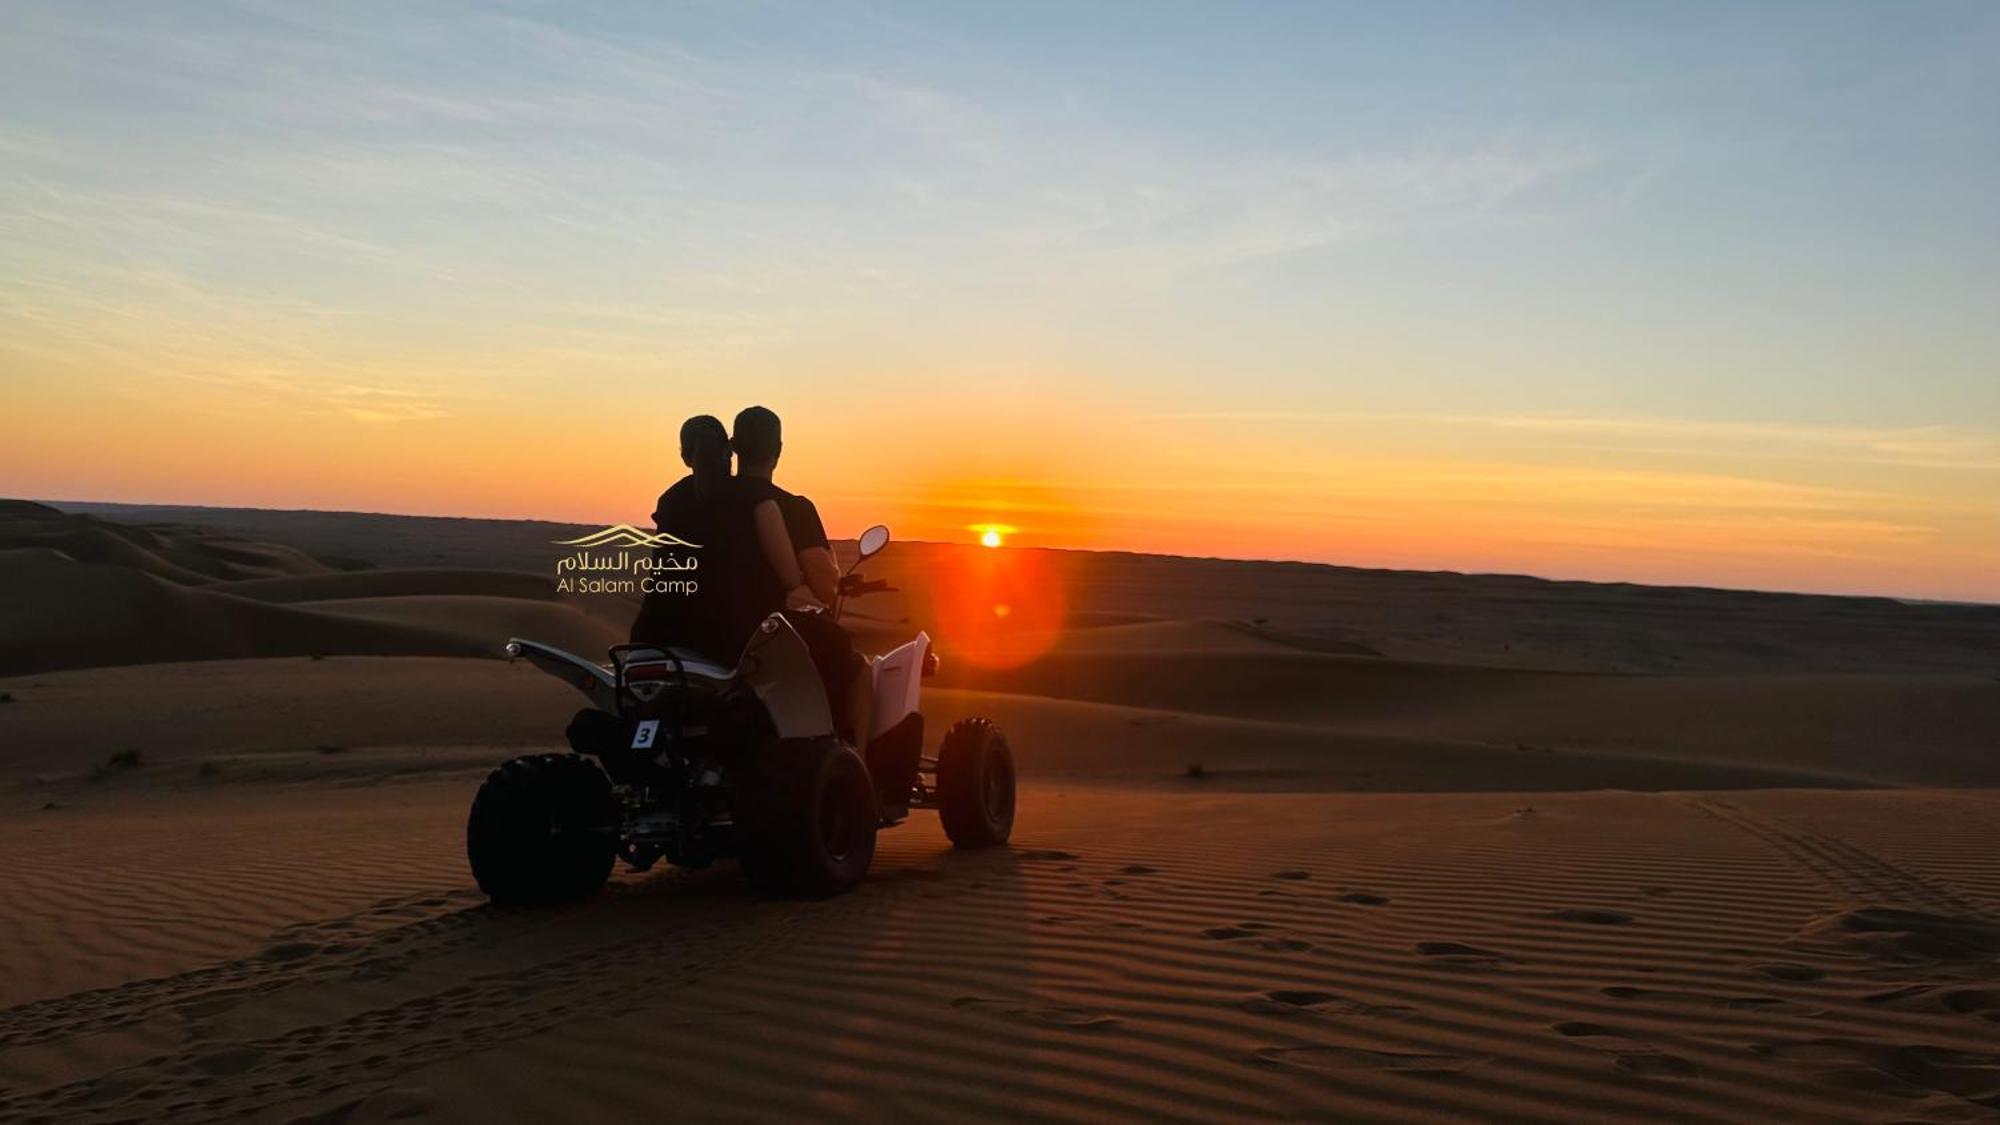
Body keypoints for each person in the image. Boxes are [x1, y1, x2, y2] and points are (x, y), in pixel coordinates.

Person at [729, 405, 873, 749]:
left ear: (734, 448)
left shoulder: (704, 501)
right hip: (762, 632)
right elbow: (826, 589)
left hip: (702, 630)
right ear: (778, 451)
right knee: (854, 663)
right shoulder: (792, 508)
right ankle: (853, 762)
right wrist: (831, 574)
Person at [628, 415, 735, 657]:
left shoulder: (670, 500)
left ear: (685, 457)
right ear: (729, 449)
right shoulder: (746, 499)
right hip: (718, 642)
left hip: (653, 634)